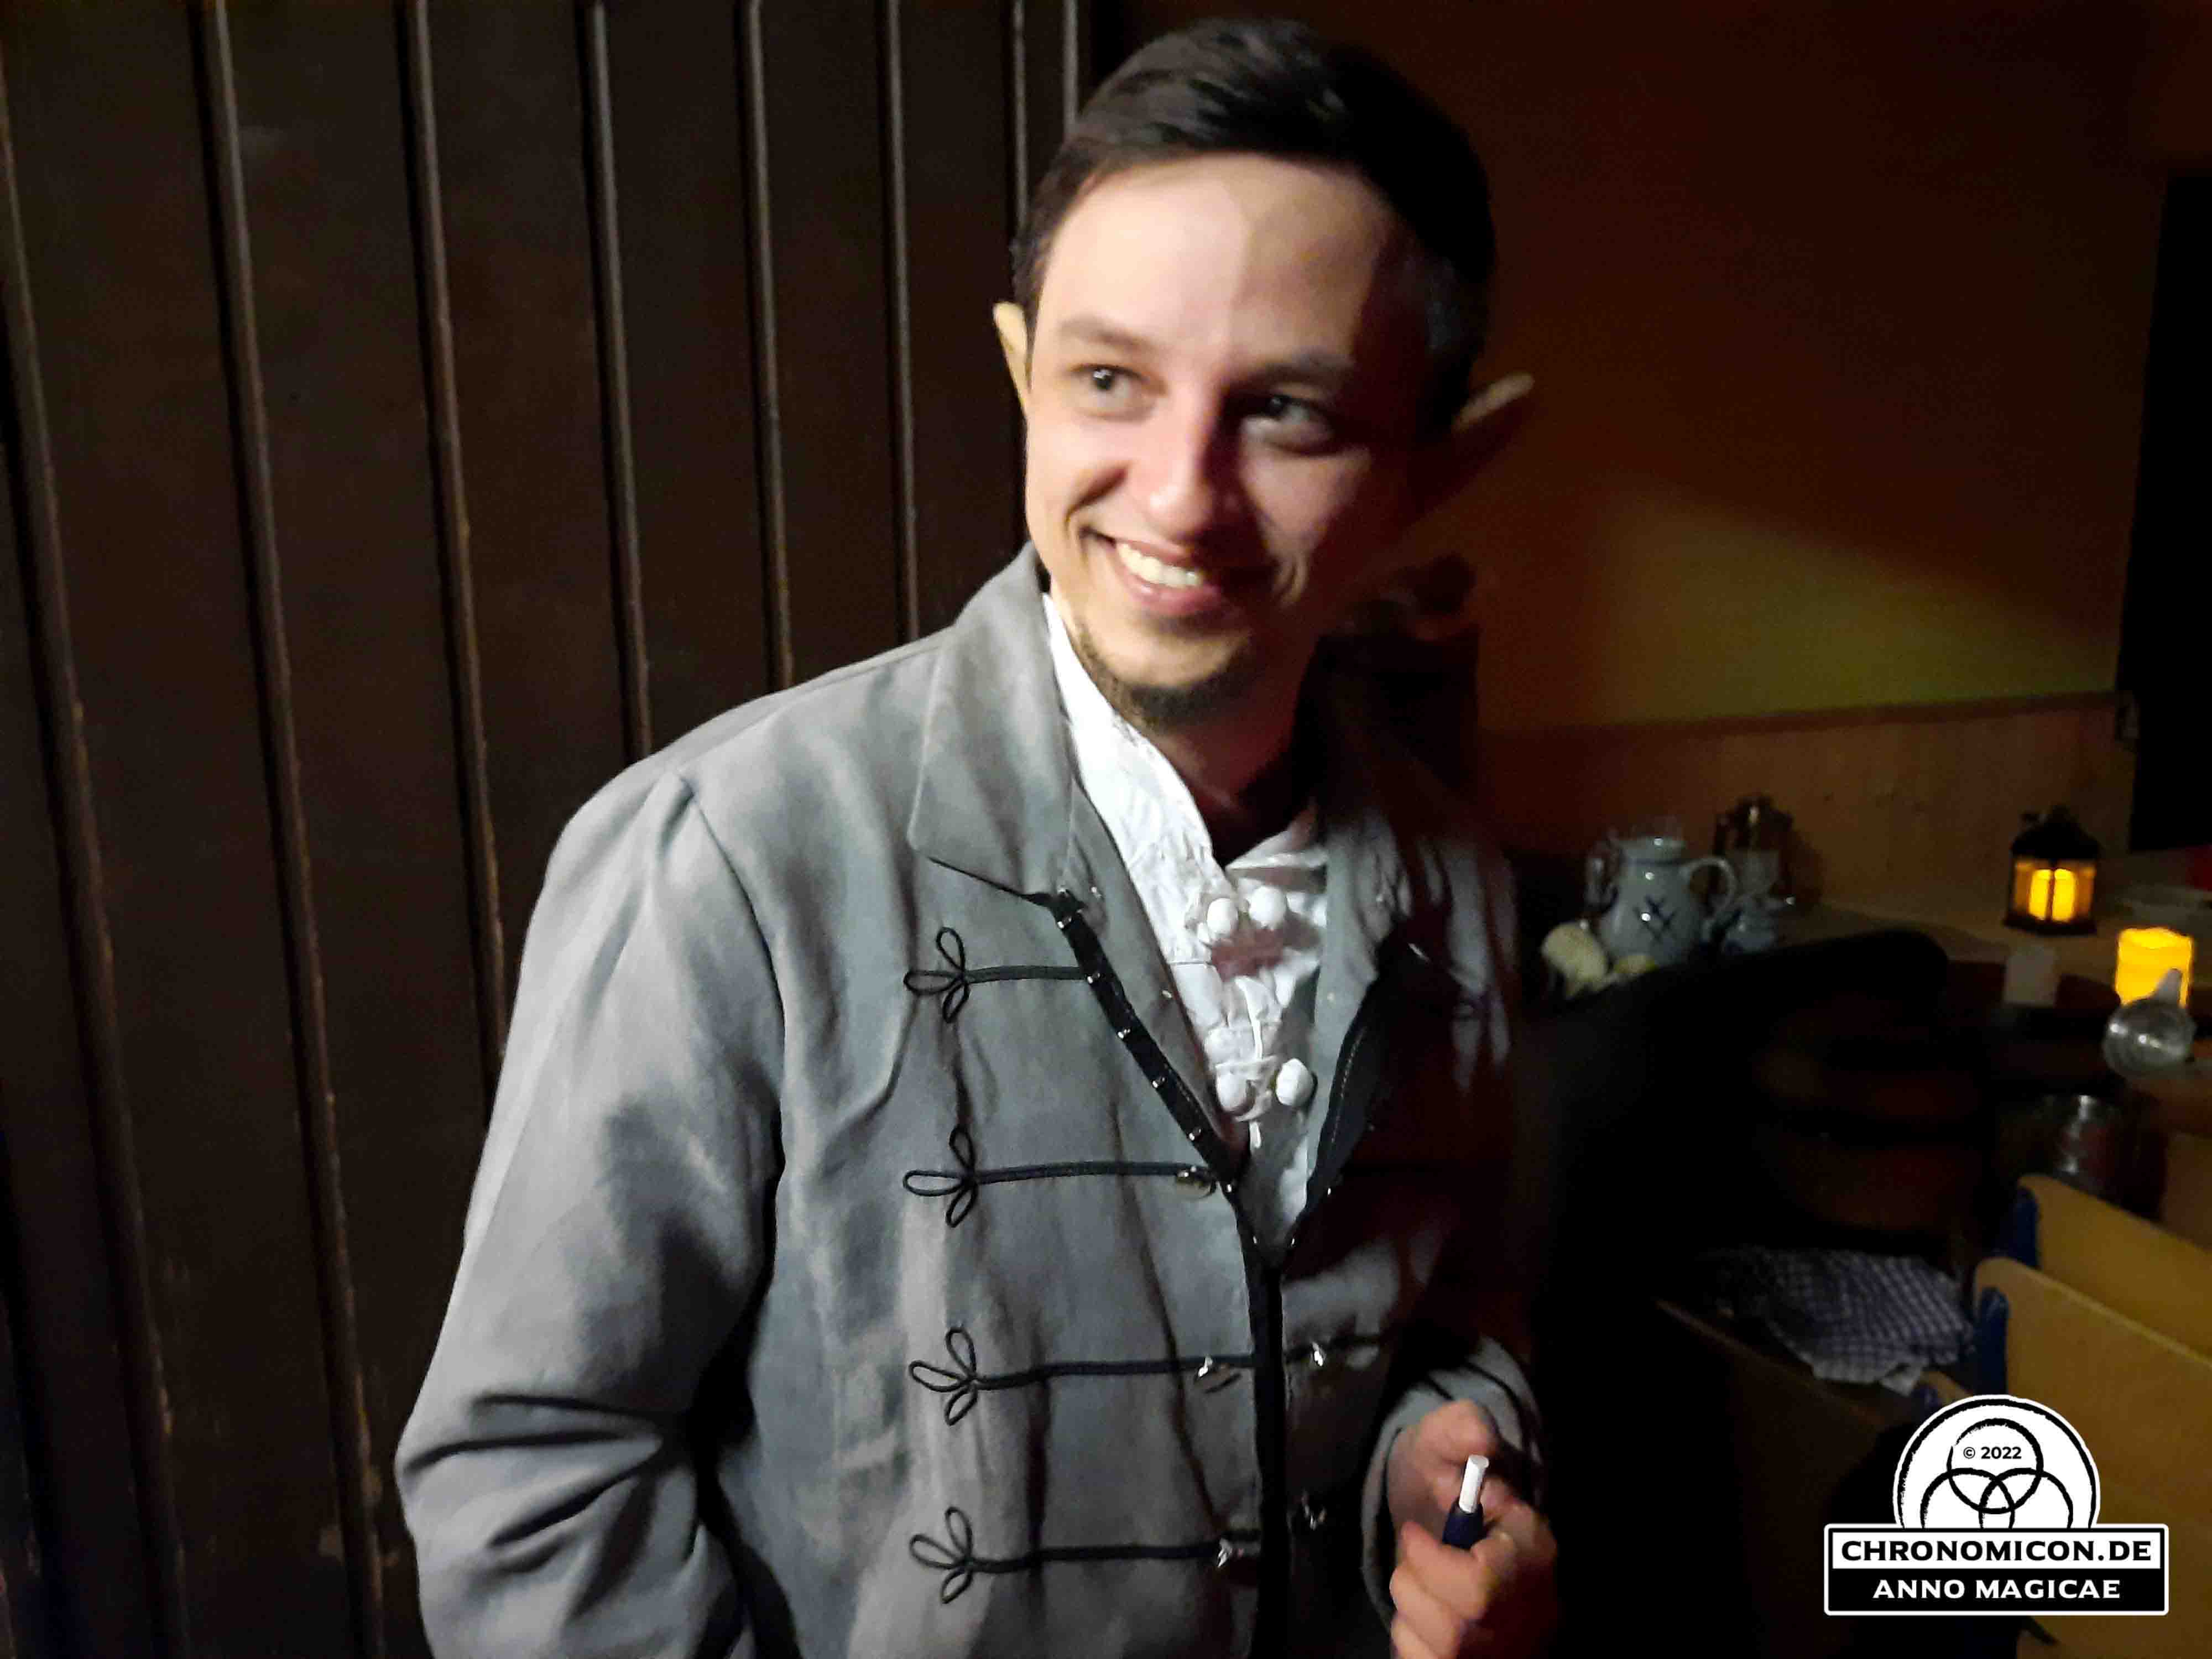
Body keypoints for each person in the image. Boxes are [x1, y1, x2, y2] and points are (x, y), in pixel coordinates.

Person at [398, 17, 1557, 1657]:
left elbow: (1453, 1315)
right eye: (1110, 381)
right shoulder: (728, 859)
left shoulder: (1454, 881)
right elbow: (531, 1480)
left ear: (1437, 467)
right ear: (1023, 374)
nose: (1179, 495)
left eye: (1287, 411)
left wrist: (1445, 1466)